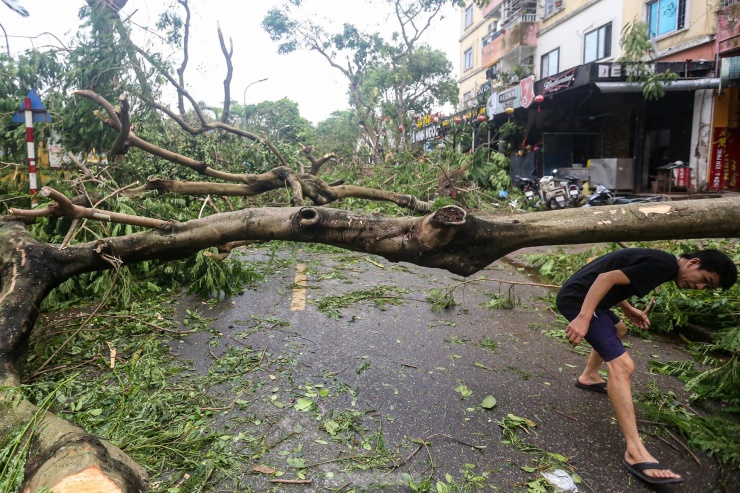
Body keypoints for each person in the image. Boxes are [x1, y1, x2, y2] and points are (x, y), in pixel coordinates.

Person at [555, 248, 737, 486]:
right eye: (705, 280)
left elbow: (612, 275)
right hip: (578, 300)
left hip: (586, 297)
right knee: (623, 367)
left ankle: (589, 376)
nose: (701, 288)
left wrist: (628, 309)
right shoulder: (664, 267)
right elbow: (604, 278)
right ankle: (634, 451)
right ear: (693, 262)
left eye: (708, 288)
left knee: (619, 329)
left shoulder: (664, 263)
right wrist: (583, 317)